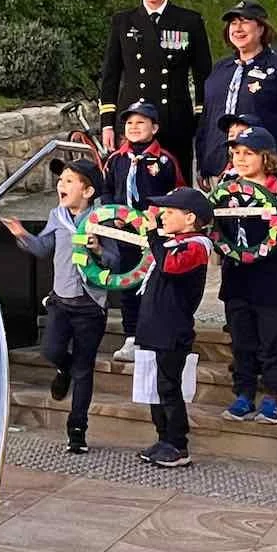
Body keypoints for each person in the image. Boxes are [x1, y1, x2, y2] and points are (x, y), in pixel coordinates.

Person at [3, 158, 109, 455]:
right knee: (51, 350)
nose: (61, 186)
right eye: (61, 180)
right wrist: (21, 234)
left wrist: (98, 248)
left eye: (69, 181)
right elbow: (42, 248)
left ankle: (77, 430)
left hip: (90, 305)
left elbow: (115, 261)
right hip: (61, 301)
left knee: (85, 370)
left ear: (87, 191)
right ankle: (64, 367)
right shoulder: (56, 215)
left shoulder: (103, 218)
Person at [215, 127, 277, 426]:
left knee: (270, 341)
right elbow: (213, 226)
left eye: (249, 153)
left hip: (272, 282)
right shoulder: (224, 191)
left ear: (266, 158)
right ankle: (243, 394)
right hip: (237, 280)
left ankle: (271, 397)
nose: (240, 159)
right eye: (236, 153)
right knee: (241, 340)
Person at [98, 0, 211, 183]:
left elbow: (203, 76)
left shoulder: (189, 21)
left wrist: (202, 124)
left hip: (174, 123)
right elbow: (110, 76)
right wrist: (107, 124)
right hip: (133, 122)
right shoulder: (123, 21)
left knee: (175, 193)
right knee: (129, 191)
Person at [136, 188, 216, 469]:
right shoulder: (171, 242)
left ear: (191, 218)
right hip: (154, 328)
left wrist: (154, 236)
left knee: (169, 388)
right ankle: (163, 438)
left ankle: (178, 445)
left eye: (170, 212)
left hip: (172, 329)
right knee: (154, 389)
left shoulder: (197, 245)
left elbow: (171, 266)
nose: (162, 216)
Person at [103, 101, 184, 363]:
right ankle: (131, 335)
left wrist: (161, 218)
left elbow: (177, 194)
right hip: (124, 234)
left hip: (155, 235)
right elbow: (107, 191)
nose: (134, 127)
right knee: (129, 283)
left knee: (155, 284)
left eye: (141, 122)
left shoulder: (165, 160)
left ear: (155, 128)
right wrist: (111, 215)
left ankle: (155, 333)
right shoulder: (116, 160)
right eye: (129, 123)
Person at [196, 0, 277, 178]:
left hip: (262, 170)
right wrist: (202, 164)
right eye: (233, 23)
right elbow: (206, 119)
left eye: (244, 22)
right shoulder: (219, 69)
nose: (237, 29)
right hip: (217, 168)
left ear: (261, 28)